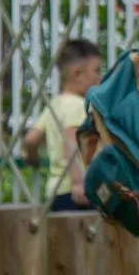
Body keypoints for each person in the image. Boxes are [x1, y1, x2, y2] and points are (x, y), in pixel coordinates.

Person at [21, 38, 103, 212]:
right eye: (96, 70)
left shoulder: (54, 105)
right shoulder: (77, 105)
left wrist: (32, 157)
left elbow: (31, 139)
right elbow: (72, 143)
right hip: (76, 193)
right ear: (77, 73)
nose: (100, 77)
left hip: (56, 192)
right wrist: (79, 182)